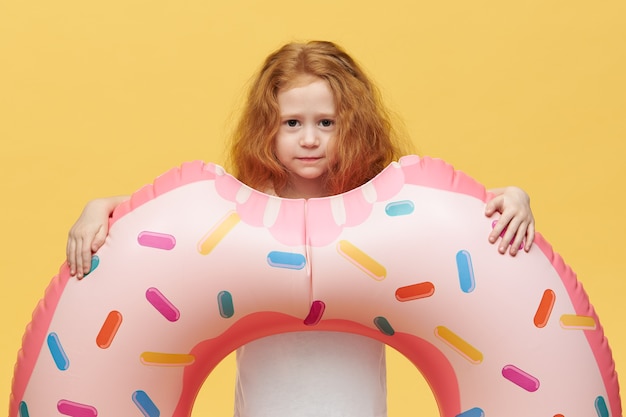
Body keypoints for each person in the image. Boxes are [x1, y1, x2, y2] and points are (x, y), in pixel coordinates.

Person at [66, 41, 535, 417]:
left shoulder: (381, 207)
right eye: (292, 123)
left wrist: (515, 196)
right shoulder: (246, 205)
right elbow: (160, 221)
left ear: (352, 127)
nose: (309, 138)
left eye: (326, 123)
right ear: (266, 129)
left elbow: (456, 218)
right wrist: (98, 207)